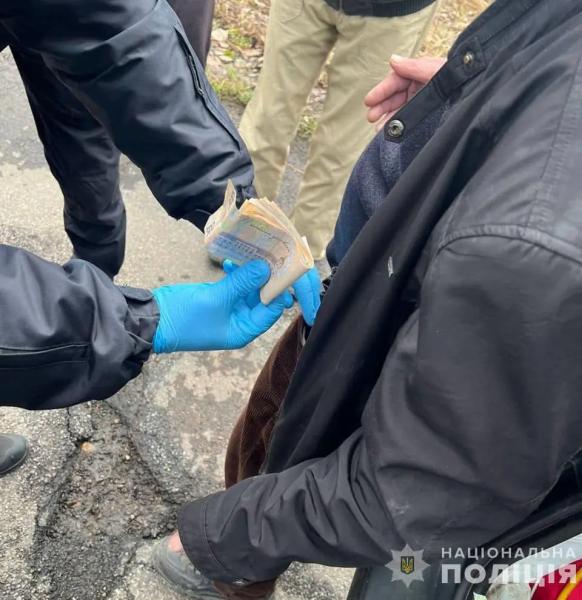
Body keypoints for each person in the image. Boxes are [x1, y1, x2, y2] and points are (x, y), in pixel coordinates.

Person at [151, 0, 582, 599]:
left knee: (407, 570)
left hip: (417, 351)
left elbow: (424, 490)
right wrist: (487, 101)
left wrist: (222, 537)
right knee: (273, 437)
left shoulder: (529, 250)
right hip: (362, 298)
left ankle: (241, 562)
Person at [238, 0, 439, 261]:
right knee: (267, 121)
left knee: (341, 152)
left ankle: (294, 265)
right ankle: (240, 236)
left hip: (390, 13)